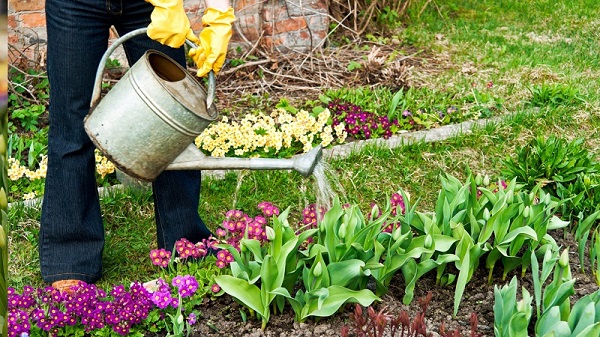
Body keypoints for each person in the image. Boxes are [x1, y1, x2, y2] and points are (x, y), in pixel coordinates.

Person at [40, 0, 235, 293]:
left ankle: (185, 242)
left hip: (150, 5)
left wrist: (219, 18)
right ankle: (70, 256)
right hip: (75, 4)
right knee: (71, 123)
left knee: (173, 111)